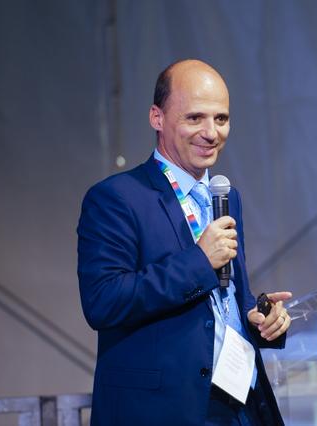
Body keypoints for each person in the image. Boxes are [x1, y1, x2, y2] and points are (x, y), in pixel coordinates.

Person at [77, 59, 291, 425]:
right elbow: (103, 301)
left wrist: (259, 320)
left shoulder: (226, 196)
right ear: (157, 118)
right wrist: (199, 261)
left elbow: (223, 298)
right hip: (165, 410)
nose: (211, 132)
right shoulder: (117, 197)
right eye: (195, 118)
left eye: (221, 118)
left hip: (240, 404)